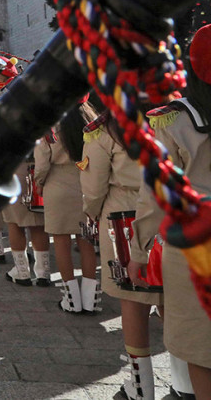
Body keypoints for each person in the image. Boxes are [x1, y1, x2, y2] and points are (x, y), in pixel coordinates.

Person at [135, 24, 211, 400]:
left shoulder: (172, 119)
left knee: (201, 346)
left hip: (196, 239)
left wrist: (138, 246)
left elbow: (155, 193)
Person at [79, 100, 163, 400]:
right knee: (171, 296)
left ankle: (142, 386)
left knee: (133, 300)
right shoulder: (171, 118)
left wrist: (90, 213)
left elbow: (93, 188)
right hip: (172, 211)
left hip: (123, 215)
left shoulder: (104, 130)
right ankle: (185, 380)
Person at [35, 108, 99, 314]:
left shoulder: (51, 123)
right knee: (87, 243)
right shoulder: (93, 121)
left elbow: (42, 162)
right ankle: (91, 300)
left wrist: (39, 183)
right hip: (85, 182)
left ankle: (71, 299)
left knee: (61, 244)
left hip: (57, 184)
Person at [1, 151, 51, 286]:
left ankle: (22, 271)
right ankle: (43, 273)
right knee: (39, 224)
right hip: (39, 166)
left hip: (15, 168)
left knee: (15, 222)